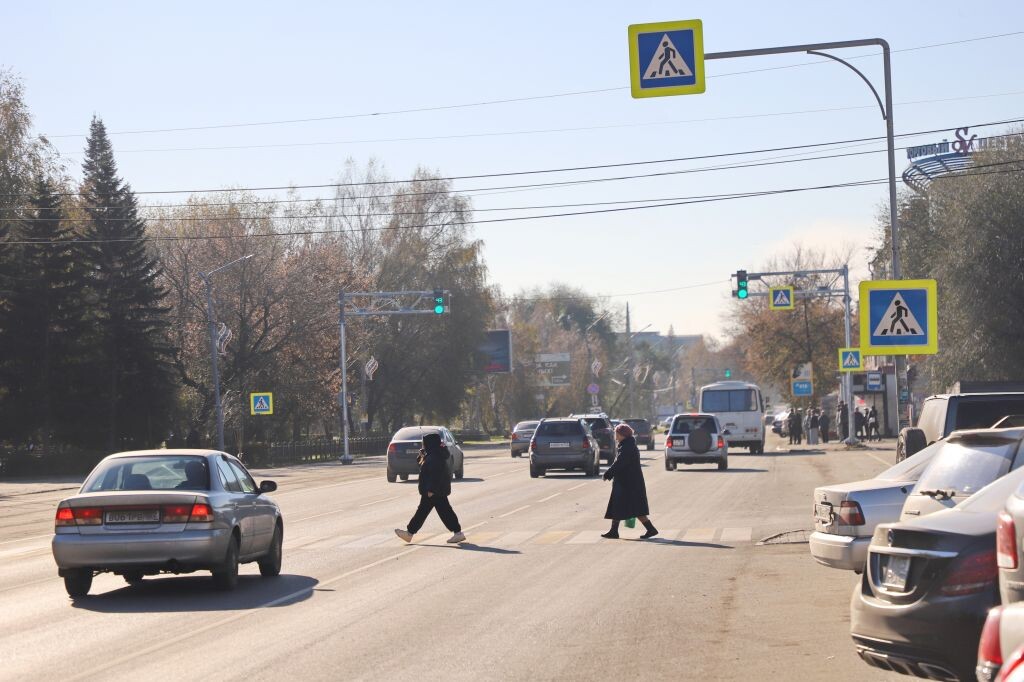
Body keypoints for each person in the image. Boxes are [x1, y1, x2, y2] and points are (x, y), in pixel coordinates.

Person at [395, 432, 465, 544]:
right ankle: (457, 532)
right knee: (439, 511)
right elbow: (425, 467)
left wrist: (431, 489)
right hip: (436, 489)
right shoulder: (434, 454)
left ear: (430, 443)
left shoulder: (434, 457)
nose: (423, 445)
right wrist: (422, 456)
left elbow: (436, 474)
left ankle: (409, 533)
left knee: (429, 512)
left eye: (424, 443)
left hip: (433, 490)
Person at [602, 423, 657, 539]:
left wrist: (608, 473)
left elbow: (620, 463)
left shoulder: (627, 447)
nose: (615, 435)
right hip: (628, 482)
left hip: (628, 483)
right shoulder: (626, 445)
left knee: (632, 507)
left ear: (622, 434)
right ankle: (614, 531)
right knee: (623, 506)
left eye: (616, 433)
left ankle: (650, 529)